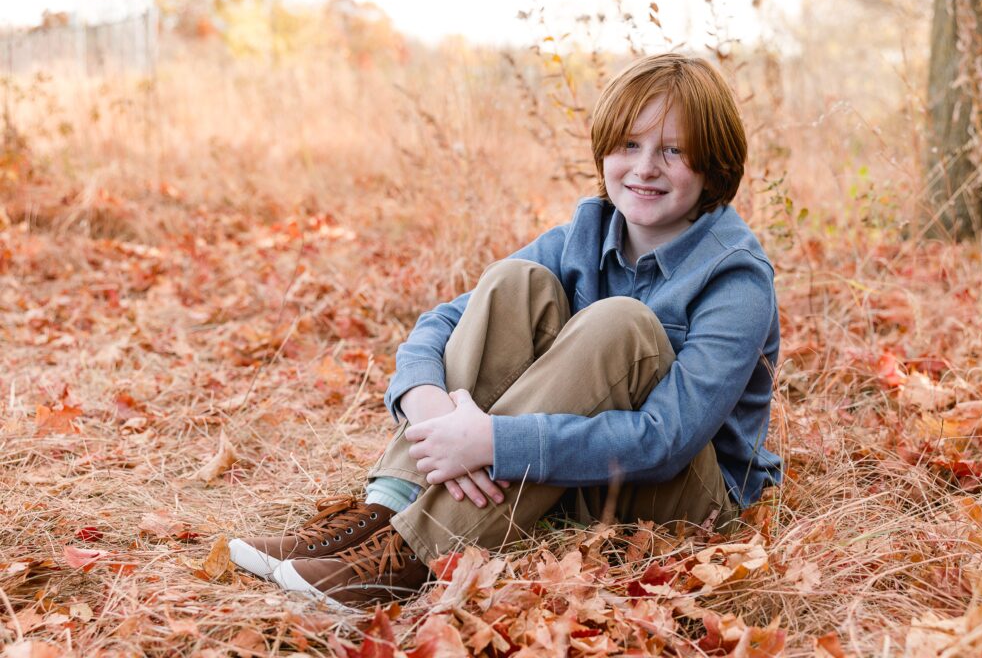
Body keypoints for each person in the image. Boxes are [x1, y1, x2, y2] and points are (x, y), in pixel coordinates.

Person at [229, 53, 782, 609]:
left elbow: (667, 440)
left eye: (672, 150)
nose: (644, 168)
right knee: (514, 283)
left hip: (684, 498)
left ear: (712, 162)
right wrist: (430, 408)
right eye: (629, 145)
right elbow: (441, 323)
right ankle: (388, 507)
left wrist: (493, 443)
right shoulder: (585, 233)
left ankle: (417, 553)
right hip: (581, 476)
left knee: (621, 323)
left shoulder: (737, 279)